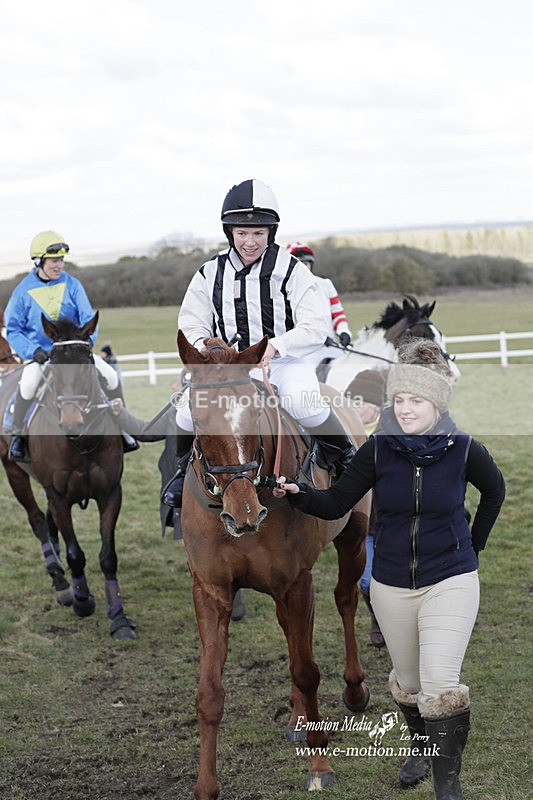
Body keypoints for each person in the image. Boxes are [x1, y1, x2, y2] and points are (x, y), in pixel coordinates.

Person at [272, 339, 505, 799]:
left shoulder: (463, 449)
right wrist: (298, 493)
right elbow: (337, 501)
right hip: (392, 584)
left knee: (440, 684)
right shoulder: (378, 450)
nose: (406, 408)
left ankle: (447, 784)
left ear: (435, 401)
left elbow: (494, 491)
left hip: (451, 578)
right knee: (412, 684)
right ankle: (420, 746)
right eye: (399, 399)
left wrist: (472, 548)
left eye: (415, 400)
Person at [162, 179, 356, 508]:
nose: (250, 242)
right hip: (227, 370)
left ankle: (345, 459)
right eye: (242, 233)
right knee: (183, 414)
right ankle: (181, 473)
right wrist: (206, 352)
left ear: (271, 232)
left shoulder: (292, 270)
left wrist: (277, 346)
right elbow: (190, 321)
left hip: (281, 363)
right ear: (230, 233)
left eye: (258, 233)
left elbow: (316, 324)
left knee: (302, 401)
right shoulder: (210, 272)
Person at [4, 230, 137, 460]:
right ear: (39, 261)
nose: (59, 265)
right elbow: (13, 329)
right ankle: (18, 438)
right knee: (27, 384)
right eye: (55, 260)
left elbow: (88, 320)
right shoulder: (22, 292)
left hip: (75, 354)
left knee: (111, 376)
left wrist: (82, 348)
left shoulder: (73, 285)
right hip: (41, 355)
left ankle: (122, 428)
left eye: (62, 260)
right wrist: (32, 351)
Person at [344, 368, 387, 647]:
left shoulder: (392, 433)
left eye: (362, 403)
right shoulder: (342, 435)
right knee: (368, 580)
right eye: (352, 401)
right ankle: (379, 617)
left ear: (378, 406)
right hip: (364, 523)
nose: (356, 408)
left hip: (395, 521)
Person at [286, 242, 353, 370]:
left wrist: (343, 332)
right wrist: (317, 338)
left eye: (306, 264)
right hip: (304, 352)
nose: (304, 268)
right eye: (300, 265)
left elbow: (337, 314)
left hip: (331, 345)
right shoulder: (285, 289)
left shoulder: (326, 284)